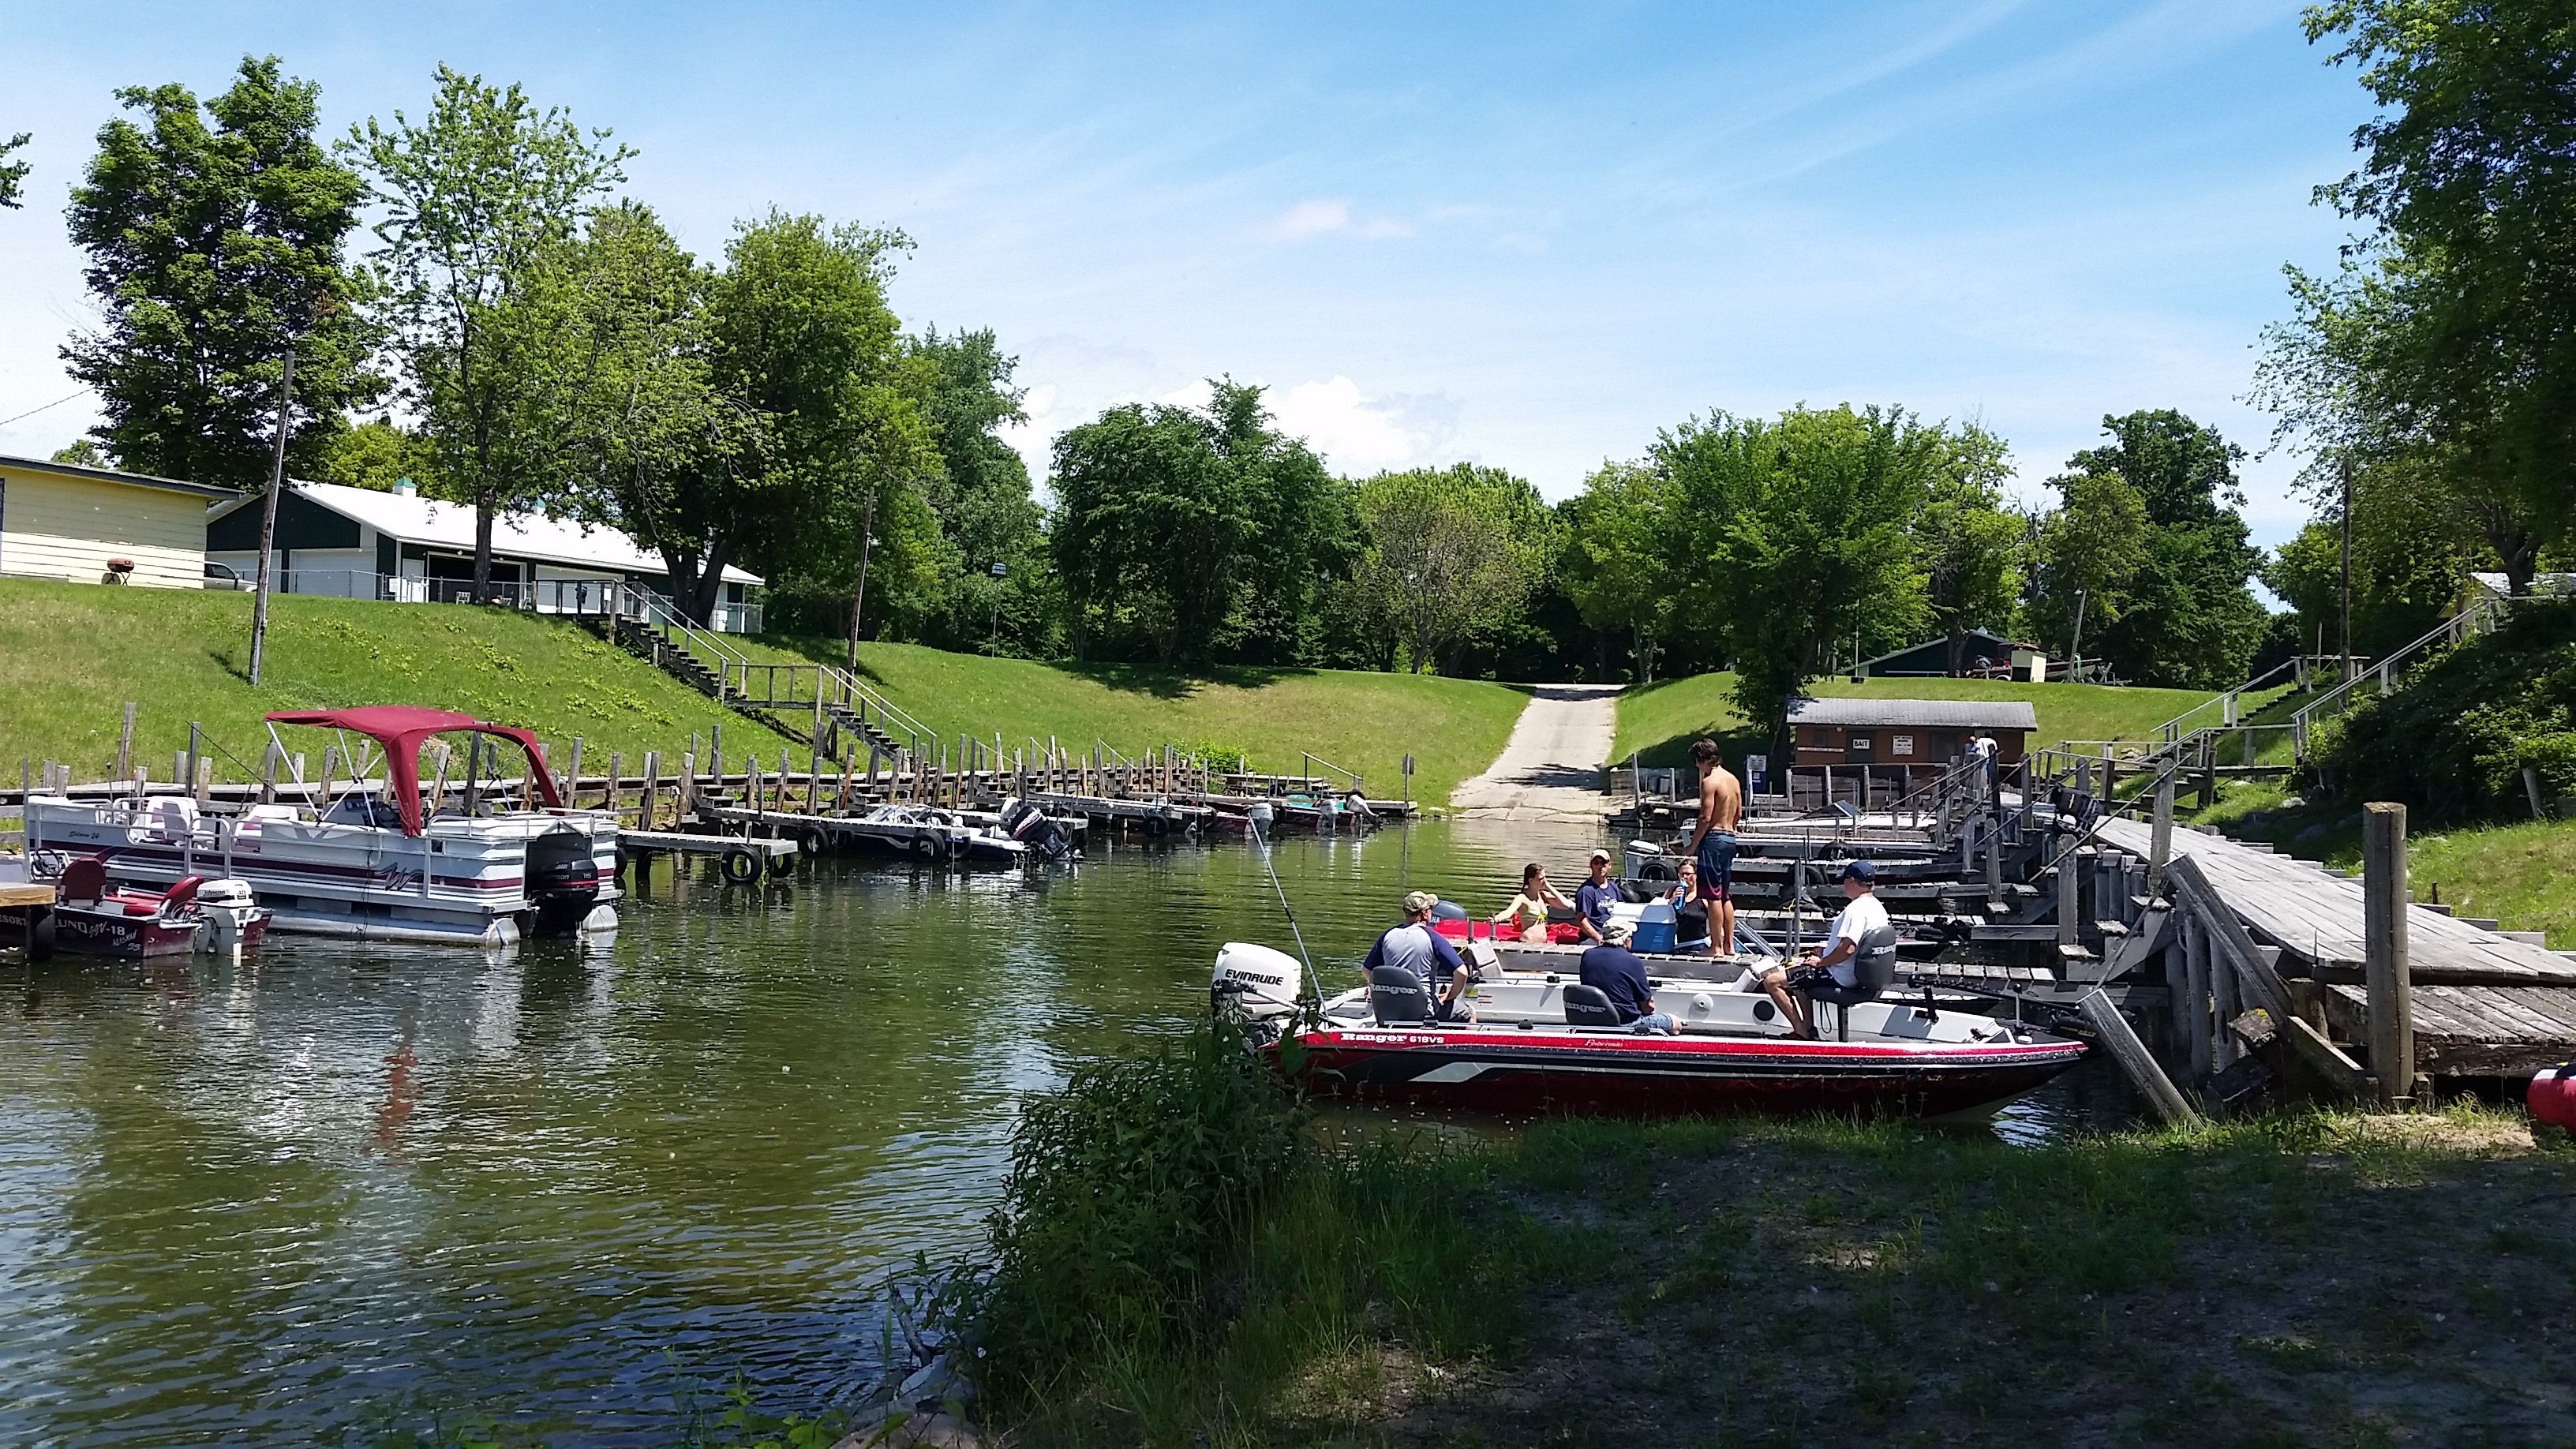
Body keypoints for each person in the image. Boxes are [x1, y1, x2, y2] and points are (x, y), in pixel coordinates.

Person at [1786, 860, 1894, 1039]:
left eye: (1844, 881)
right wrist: (1825, 949)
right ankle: (1808, 1028)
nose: (1843, 885)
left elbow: (1848, 949)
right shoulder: (1877, 907)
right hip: (1859, 976)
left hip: (1840, 977)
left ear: (1851, 881)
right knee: (1798, 978)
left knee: (1774, 982)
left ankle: (1802, 1033)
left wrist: (1821, 963)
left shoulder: (1855, 909)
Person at [1364, 889, 1476, 1021]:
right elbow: (1462, 972)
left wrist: (1378, 989)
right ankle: (1463, 1042)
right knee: (1469, 1013)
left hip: (1390, 1009)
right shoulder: (1433, 938)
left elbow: (1366, 970)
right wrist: (1450, 995)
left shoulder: (1387, 936)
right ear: (1425, 914)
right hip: (1424, 1010)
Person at [1681, 739, 1743, 956]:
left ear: (1703, 759)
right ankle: (1729, 945)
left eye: (1697, 762)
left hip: (1714, 840)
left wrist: (1691, 846)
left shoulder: (1710, 782)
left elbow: (1705, 817)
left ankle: (1716, 946)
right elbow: (1738, 814)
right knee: (1725, 894)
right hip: (1730, 838)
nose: (1697, 766)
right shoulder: (1733, 780)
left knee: (1712, 895)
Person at [1578, 919, 1676, 1035]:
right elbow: (1647, 1005)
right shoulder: (1632, 961)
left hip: (1592, 1020)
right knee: (1675, 1023)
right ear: (1625, 940)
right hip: (1624, 1024)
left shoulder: (1588, 956)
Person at [1492, 862, 1573, 944]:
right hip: (1528, 943)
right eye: (1541, 879)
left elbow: (1565, 906)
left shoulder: (1543, 895)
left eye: (1545, 878)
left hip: (1543, 944)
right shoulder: (1522, 898)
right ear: (1531, 881)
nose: (1544, 881)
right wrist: (1497, 918)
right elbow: (1508, 912)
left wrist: (1549, 887)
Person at [1572, 848, 1619, 945]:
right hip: (1592, 938)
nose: (1600, 866)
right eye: (1596, 863)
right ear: (1591, 865)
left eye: (1603, 863)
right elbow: (1581, 921)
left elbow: (1620, 913)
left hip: (1612, 936)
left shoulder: (1614, 888)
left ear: (1609, 865)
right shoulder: (1585, 891)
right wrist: (1598, 938)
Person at [1664, 859, 1712, 953]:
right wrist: (1672, 900)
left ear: (1696, 875)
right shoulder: (1671, 891)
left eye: (1688, 874)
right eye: (1681, 874)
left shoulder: (1703, 895)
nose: (1684, 877)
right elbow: (1661, 915)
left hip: (1697, 945)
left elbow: (1715, 919)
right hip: (1674, 945)